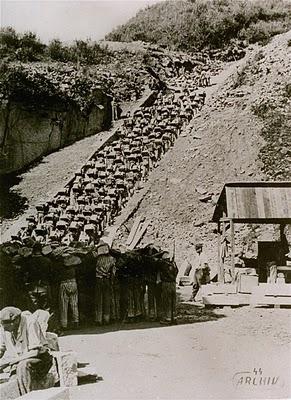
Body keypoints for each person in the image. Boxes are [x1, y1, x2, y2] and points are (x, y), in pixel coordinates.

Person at [0, 307, 53, 395]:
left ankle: (28, 397)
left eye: (6, 327)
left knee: (23, 366)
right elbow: (1, 348)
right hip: (18, 363)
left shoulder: (30, 323)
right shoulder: (5, 327)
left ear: (15, 321)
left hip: (41, 360)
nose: (4, 329)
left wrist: (8, 362)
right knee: (13, 382)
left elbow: (36, 352)